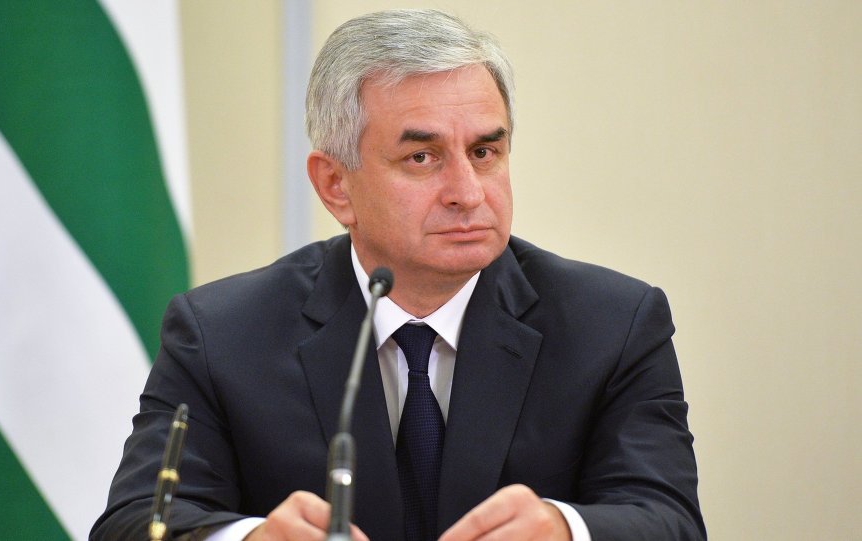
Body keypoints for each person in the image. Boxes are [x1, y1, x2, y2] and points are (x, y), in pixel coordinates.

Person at [92, 8, 704, 541]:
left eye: (484, 152)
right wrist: (248, 539)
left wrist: (565, 529)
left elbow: (668, 520)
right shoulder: (222, 334)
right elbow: (134, 523)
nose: (468, 192)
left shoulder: (614, 324)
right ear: (336, 185)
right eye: (422, 157)